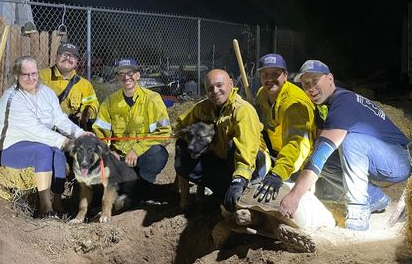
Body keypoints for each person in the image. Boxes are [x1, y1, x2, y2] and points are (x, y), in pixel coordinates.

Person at [279, 60, 412, 231]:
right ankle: (374, 197)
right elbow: (318, 153)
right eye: (306, 84)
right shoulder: (325, 106)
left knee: (350, 141)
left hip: (398, 160)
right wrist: (308, 183)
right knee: (321, 157)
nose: (311, 88)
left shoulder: (343, 103)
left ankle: (358, 208)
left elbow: (322, 153)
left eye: (315, 81)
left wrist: (294, 196)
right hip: (377, 156)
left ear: (330, 79)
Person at [0, 56, 92, 218]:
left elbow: (59, 119)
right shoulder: (12, 98)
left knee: (57, 153)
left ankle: (58, 203)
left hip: (37, 142)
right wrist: (64, 141)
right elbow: (34, 129)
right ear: (16, 76)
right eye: (25, 75)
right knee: (44, 150)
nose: (31, 78)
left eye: (34, 73)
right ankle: (46, 208)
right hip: (7, 147)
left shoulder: (47, 93)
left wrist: (80, 134)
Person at [174, 69, 270, 212]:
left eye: (220, 85)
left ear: (231, 84)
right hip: (223, 159)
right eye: (210, 88)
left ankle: (242, 187)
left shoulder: (243, 110)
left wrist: (239, 179)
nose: (215, 91)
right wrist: (186, 134)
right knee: (183, 146)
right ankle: (219, 190)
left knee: (233, 145)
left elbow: (247, 148)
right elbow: (180, 125)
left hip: (252, 163)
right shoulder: (204, 107)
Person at [93, 58, 170, 198]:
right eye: (121, 73)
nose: (126, 76)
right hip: (119, 157)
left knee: (159, 154)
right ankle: (132, 190)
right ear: (117, 78)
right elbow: (100, 132)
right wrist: (108, 151)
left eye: (130, 72)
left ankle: (142, 188)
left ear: (138, 75)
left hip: (143, 154)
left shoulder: (153, 99)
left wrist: (136, 150)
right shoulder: (109, 102)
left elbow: (163, 131)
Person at [252, 54, 317, 203]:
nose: (269, 79)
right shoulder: (262, 95)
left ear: (285, 75)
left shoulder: (294, 104)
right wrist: (263, 154)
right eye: (265, 74)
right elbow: (260, 129)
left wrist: (278, 174)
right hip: (277, 153)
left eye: (276, 74)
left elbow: (297, 144)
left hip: (300, 162)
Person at [39, 42, 99, 130]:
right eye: (64, 54)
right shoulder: (40, 76)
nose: (67, 58)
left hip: (70, 131)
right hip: (43, 129)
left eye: (72, 56)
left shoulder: (85, 85)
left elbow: (92, 104)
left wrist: (86, 113)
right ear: (56, 57)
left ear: (76, 62)